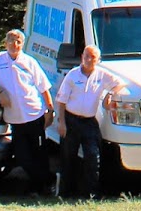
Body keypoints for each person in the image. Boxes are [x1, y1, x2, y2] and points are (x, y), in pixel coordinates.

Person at [0, 30, 56, 195]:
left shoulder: (30, 62)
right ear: (5, 43)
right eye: (11, 41)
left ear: (23, 44)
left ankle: (40, 188)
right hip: (14, 119)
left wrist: (50, 110)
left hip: (34, 115)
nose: (14, 45)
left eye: (18, 42)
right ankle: (48, 180)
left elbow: (44, 88)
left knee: (40, 155)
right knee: (22, 157)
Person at [53, 45, 124, 199]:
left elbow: (121, 83)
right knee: (68, 157)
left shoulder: (102, 75)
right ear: (82, 57)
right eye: (86, 56)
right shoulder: (72, 75)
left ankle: (92, 193)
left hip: (89, 122)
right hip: (71, 120)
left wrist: (110, 94)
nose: (89, 60)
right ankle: (65, 193)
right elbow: (62, 100)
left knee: (93, 156)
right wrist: (62, 123)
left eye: (92, 57)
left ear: (98, 60)